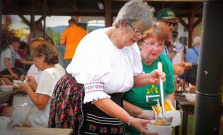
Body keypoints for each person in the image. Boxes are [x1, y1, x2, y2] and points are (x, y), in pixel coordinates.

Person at [49, 0, 166, 134]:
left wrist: (148, 78)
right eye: (137, 31)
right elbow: (96, 97)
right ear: (121, 23)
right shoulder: (97, 43)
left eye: (143, 33)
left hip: (111, 103)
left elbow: (129, 80)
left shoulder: (131, 45)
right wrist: (130, 120)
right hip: (83, 103)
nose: (139, 37)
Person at [123, 21, 174, 135]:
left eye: (160, 44)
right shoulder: (128, 63)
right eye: (151, 43)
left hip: (158, 127)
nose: (156, 49)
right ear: (140, 43)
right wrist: (144, 113)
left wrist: (166, 110)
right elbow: (117, 101)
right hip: (129, 127)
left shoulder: (165, 63)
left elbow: (169, 93)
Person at [1, 42, 66, 128]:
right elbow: (49, 94)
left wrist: (28, 88)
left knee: (5, 114)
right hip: (54, 115)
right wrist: (35, 85)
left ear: (43, 57)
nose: (34, 63)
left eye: (35, 59)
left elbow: (40, 105)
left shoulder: (47, 73)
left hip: (44, 119)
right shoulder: (58, 70)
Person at [156, 8, 185, 76]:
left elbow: (161, 64)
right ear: (158, 22)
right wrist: (172, 68)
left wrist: (178, 66)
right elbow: (149, 65)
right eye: (168, 23)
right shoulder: (152, 41)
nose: (172, 27)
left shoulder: (165, 44)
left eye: (173, 24)